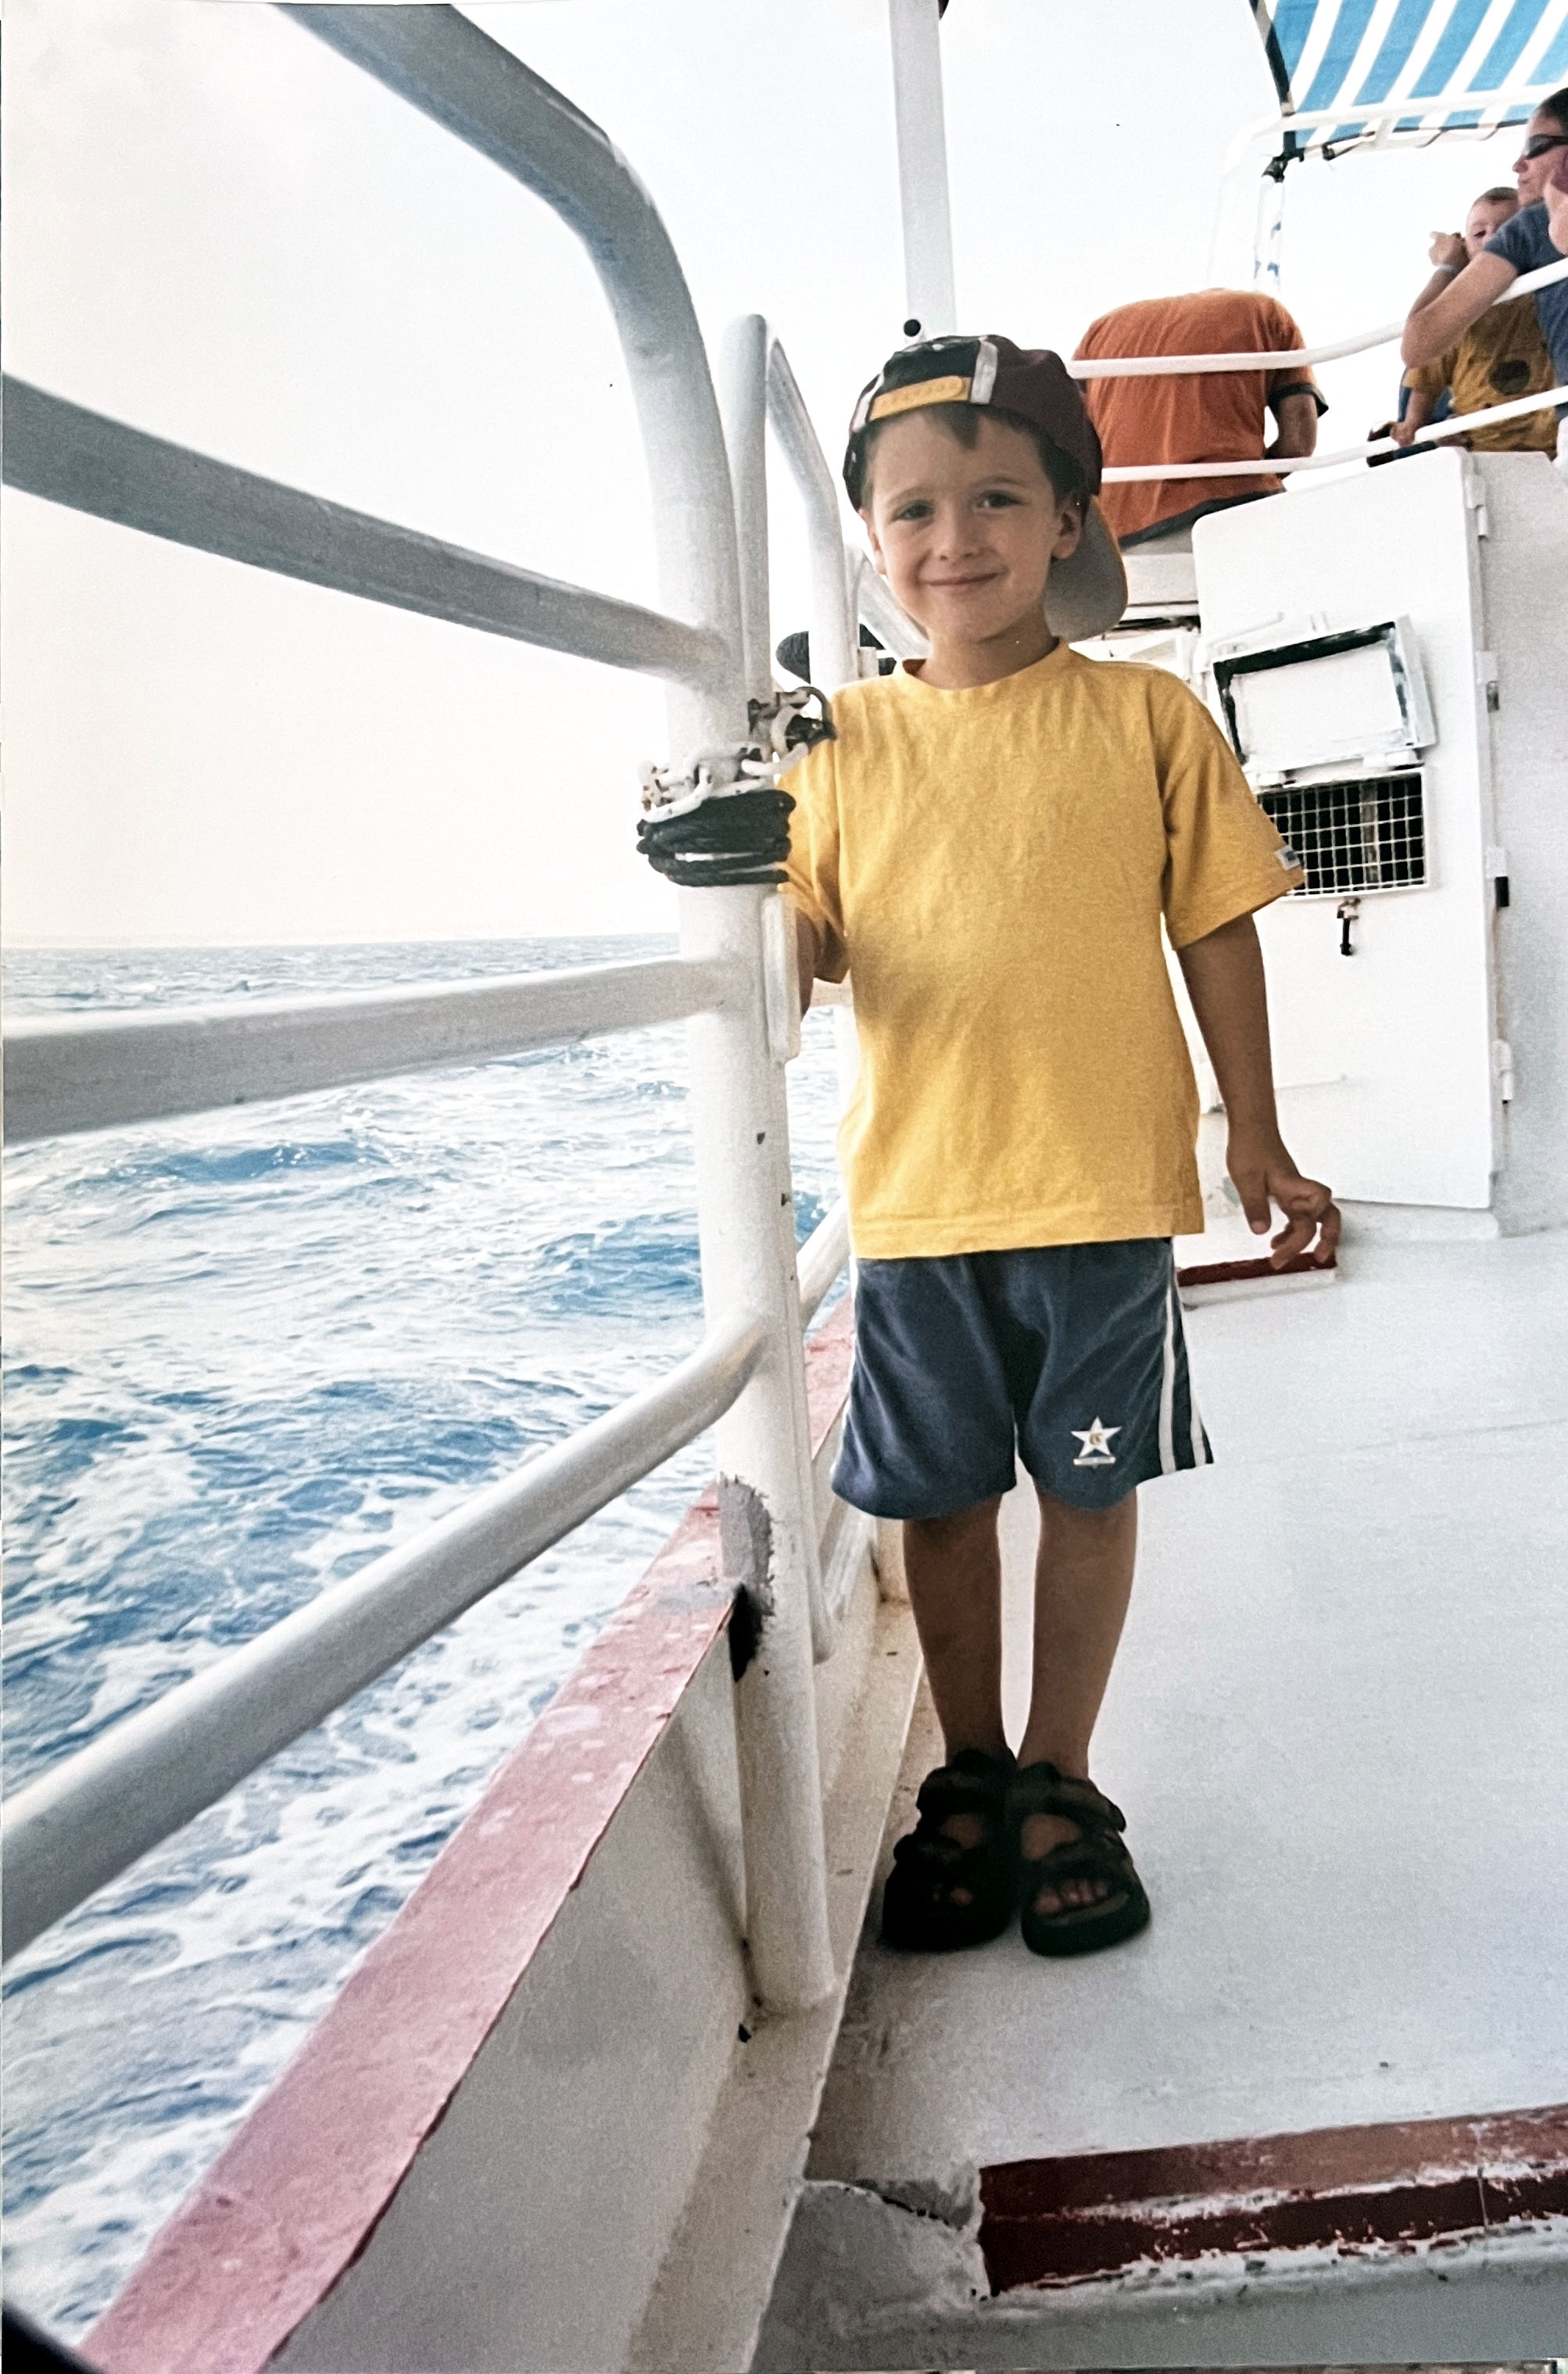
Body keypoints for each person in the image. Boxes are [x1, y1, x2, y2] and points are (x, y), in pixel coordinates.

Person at [782, 335, 1337, 1960]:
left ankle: (1060, 1778)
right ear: (873, 539)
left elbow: (1216, 926)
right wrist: (728, 875)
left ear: (1071, 521)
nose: (954, 538)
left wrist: (1257, 1131)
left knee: (1089, 1493)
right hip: (917, 1204)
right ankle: (966, 1774)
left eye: (997, 499)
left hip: (1101, 1190)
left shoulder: (1144, 715)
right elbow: (795, 950)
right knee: (942, 1502)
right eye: (914, 509)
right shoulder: (836, 743)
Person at [1072, 288, 1324, 550]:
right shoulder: (1266, 313)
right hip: (1236, 507)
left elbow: (1075, 443)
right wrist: (1242, 477)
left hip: (1120, 532)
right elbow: (1298, 442)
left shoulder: (1099, 333)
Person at [1402, 89, 1568, 402]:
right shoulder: (1527, 229)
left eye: (1534, 147)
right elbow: (1418, 345)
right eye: (1479, 233)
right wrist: (1450, 266)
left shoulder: (1530, 228)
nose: (1518, 165)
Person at [1394, 187, 1557, 454]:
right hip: (1482, 443)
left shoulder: (1550, 289)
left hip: (1550, 441)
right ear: (1465, 247)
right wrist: (1415, 422)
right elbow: (1427, 374)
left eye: (1507, 231)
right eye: (1479, 234)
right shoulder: (1462, 308)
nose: (1491, 239)